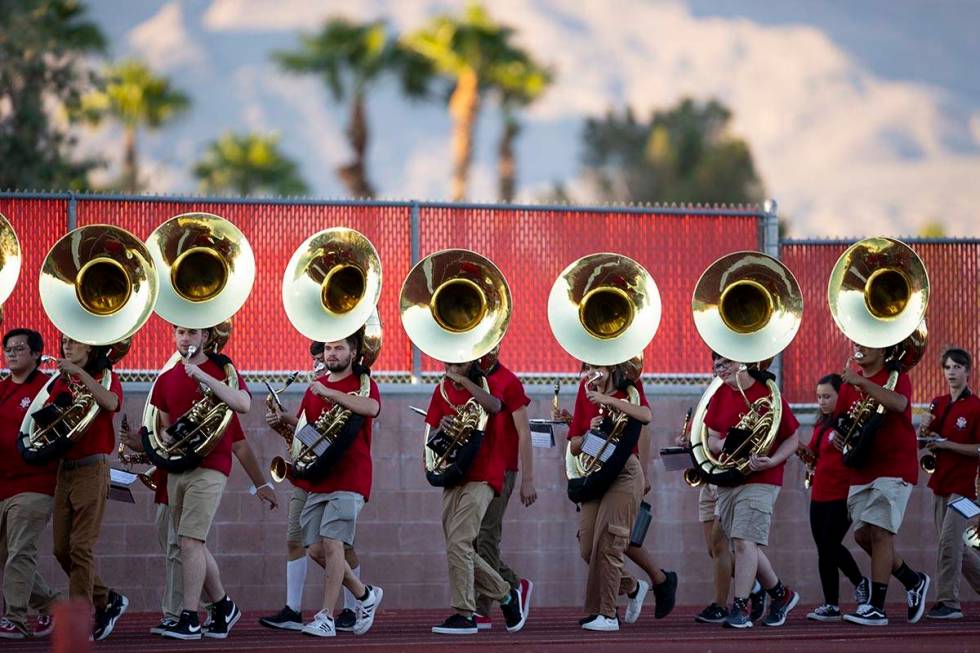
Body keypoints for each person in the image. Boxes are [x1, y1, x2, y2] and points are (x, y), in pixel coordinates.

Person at [152, 325, 277, 640]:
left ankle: (190, 617)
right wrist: (161, 437)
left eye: (192, 333)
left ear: (205, 338)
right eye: (180, 332)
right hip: (178, 467)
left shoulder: (223, 370)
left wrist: (202, 376)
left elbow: (244, 405)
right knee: (189, 541)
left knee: (191, 541)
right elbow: (166, 431)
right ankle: (223, 605)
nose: (185, 338)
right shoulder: (165, 379)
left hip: (211, 466)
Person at [426, 360, 529, 635]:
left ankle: (465, 613)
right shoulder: (441, 390)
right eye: (448, 360)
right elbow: (430, 433)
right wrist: (442, 427)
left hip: (484, 474)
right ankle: (506, 594)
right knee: (458, 546)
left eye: (458, 361)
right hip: (453, 474)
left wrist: (466, 383)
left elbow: (495, 406)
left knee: (461, 542)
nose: (451, 364)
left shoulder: (488, 381)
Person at [567, 361, 671, 631]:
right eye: (587, 367)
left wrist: (605, 400)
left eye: (597, 367)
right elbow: (575, 445)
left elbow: (645, 416)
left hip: (624, 472)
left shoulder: (630, 388)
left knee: (611, 541)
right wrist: (589, 431)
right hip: (595, 475)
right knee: (589, 548)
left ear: (611, 366)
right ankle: (634, 587)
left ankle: (607, 614)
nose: (591, 373)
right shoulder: (584, 390)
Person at [835, 342, 930, 626]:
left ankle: (876, 607)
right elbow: (841, 420)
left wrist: (861, 382)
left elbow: (899, 404)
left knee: (880, 532)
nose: (859, 348)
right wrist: (839, 436)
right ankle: (913, 580)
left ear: (883, 352)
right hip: (863, 469)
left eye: (867, 346)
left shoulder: (896, 376)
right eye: (857, 344)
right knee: (863, 536)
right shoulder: (848, 382)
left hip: (894, 466)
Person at [295, 335, 383, 638]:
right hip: (320, 478)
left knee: (333, 543)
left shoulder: (362, 385)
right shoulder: (314, 388)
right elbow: (305, 435)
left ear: (353, 352)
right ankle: (364, 595)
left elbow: (371, 408)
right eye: (329, 348)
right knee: (316, 550)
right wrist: (281, 422)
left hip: (350, 477)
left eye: (339, 348)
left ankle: (326, 617)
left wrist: (330, 393)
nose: (331, 353)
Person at [704, 353, 800, 629]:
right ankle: (781, 595)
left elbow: (793, 437)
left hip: (762, 476)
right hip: (729, 477)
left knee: (745, 541)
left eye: (725, 364)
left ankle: (740, 607)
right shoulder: (720, 394)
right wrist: (727, 446)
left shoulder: (768, 393)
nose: (719, 370)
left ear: (741, 363)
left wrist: (773, 460)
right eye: (716, 365)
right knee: (743, 543)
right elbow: (711, 437)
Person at [47, 334, 128, 640]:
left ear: (90, 347)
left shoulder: (104, 376)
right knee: (60, 549)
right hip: (64, 470)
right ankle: (106, 598)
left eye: (74, 342)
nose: (67, 347)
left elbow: (111, 402)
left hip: (92, 468)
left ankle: (80, 622)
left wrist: (78, 373)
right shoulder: (58, 382)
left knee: (80, 546)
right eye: (64, 342)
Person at [0, 329, 59, 640]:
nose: (11, 353)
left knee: (20, 551)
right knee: (9, 556)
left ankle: (15, 618)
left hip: (35, 484)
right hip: (2, 484)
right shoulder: (2, 388)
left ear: (36, 354)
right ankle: (54, 605)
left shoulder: (48, 388)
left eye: (19, 348)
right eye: (8, 348)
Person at [473, 349, 536, 629]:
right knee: (472, 540)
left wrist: (528, 479)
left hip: (502, 470)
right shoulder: (469, 379)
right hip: (474, 470)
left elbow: (524, 431)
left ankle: (513, 584)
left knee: (485, 537)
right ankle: (482, 608)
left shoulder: (509, 381)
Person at [800, 373, 868, 622]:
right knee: (824, 549)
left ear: (841, 396)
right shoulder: (821, 424)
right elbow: (814, 457)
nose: (822, 401)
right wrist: (795, 446)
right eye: (819, 397)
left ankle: (860, 583)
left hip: (842, 494)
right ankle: (831, 604)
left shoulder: (849, 422)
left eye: (827, 396)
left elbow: (857, 453)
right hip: (819, 494)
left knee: (830, 544)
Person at [921, 347, 980, 620]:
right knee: (956, 546)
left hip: (968, 490)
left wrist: (949, 445)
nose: (952, 372)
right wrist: (926, 435)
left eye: (958, 367)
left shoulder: (976, 406)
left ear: (968, 371)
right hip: (940, 484)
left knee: (948, 544)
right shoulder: (938, 402)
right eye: (948, 367)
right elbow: (933, 443)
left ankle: (949, 602)